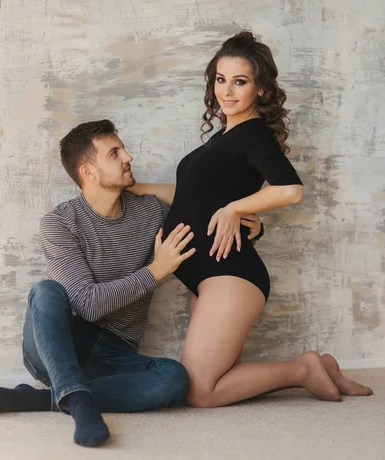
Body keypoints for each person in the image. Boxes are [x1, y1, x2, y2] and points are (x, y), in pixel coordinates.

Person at [131, 30, 373, 407]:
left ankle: (303, 368)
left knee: (200, 392)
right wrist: (134, 187)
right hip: (207, 278)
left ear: (260, 89)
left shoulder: (252, 135)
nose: (227, 91)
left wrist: (236, 208)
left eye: (240, 82)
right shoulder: (223, 138)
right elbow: (191, 197)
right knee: (221, 379)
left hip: (230, 276)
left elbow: (291, 189)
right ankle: (325, 366)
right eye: (221, 80)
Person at [0, 119, 262, 447]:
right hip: (59, 345)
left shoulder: (152, 213)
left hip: (116, 354)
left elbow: (206, 211)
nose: (128, 156)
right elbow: (85, 302)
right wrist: (155, 271)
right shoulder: (60, 223)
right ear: (88, 171)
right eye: (114, 153)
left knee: (174, 379)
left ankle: (51, 399)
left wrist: (249, 222)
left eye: (123, 149)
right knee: (46, 291)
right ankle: (78, 399)